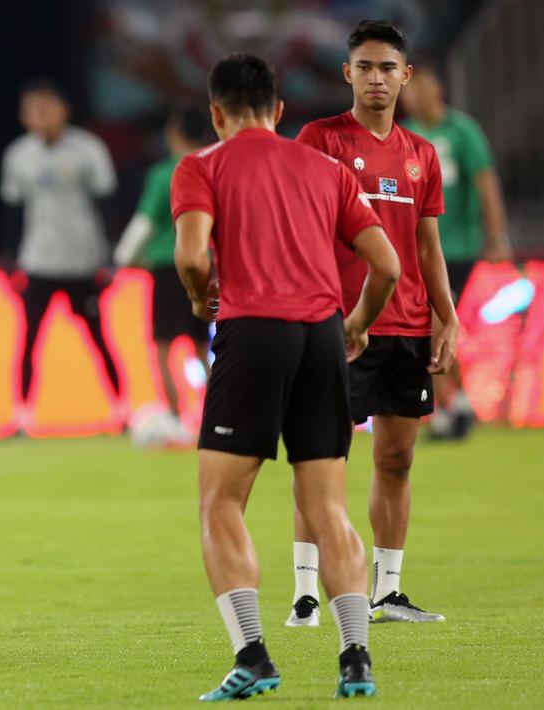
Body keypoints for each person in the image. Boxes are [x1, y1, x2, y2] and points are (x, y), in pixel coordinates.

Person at [173, 53, 400, 700]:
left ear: (215, 114)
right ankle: (354, 659)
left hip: (251, 334)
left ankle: (252, 655)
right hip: (321, 335)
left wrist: (197, 298)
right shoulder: (326, 169)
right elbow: (383, 265)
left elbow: (192, 256)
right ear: (277, 111)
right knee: (327, 506)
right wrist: (355, 325)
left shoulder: (202, 165)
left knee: (220, 503)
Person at [288, 19, 456, 627]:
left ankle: (387, 592)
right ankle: (306, 593)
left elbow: (428, 245)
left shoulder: (422, 156)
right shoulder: (319, 140)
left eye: (388, 68)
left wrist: (447, 316)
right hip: (338, 325)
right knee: (321, 457)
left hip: (408, 326)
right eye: (365, 67)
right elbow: (300, 228)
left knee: (397, 461)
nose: (377, 78)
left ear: (405, 76)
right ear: (347, 73)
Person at [0, 78, 124, 431]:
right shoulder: (18, 155)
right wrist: (8, 259)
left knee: (99, 339)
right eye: (31, 109)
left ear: (63, 110)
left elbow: (107, 205)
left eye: (45, 107)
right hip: (38, 261)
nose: (38, 115)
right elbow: (14, 212)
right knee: (30, 340)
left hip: (83, 261)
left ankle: (122, 412)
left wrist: (111, 257)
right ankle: (22, 418)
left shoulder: (88, 150)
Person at [401, 61, 512, 439]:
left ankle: (455, 404)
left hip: (457, 248)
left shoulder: (462, 131)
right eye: (408, 88)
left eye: (417, 86)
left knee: (435, 323)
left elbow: (485, 182)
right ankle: (454, 405)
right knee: (431, 327)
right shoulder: (407, 136)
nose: (411, 94)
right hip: (418, 251)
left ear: (437, 89)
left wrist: (496, 236)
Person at [115, 104, 212, 436]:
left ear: (174, 132)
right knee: (202, 345)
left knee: (163, 345)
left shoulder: (165, 173)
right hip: (208, 268)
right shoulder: (216, 168)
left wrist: (125, 255)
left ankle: (174, 414)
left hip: (169, 268)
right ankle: (220, 414)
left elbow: (145, 222)